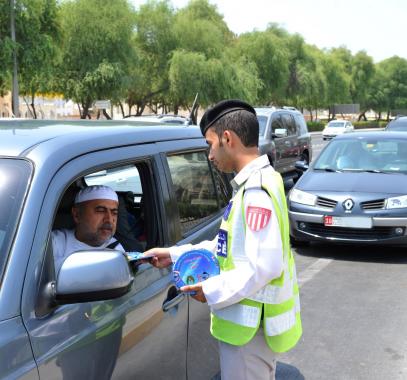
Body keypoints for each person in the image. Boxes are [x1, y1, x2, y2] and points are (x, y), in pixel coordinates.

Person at [145, 99, 302, 380]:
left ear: (227, 138)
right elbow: (229, 247)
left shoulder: (255, 192)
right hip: (249, 332)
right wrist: (177, 255)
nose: (209, 155)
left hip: (248, 334)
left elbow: (263, 266)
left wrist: (211, 289)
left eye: (210, 143)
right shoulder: (262, 181)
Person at [52, 184, 125, 272]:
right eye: (101, 211)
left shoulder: (116, 249)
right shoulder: (55, 242)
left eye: (114, 213)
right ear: (76, 215)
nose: (109, 219)